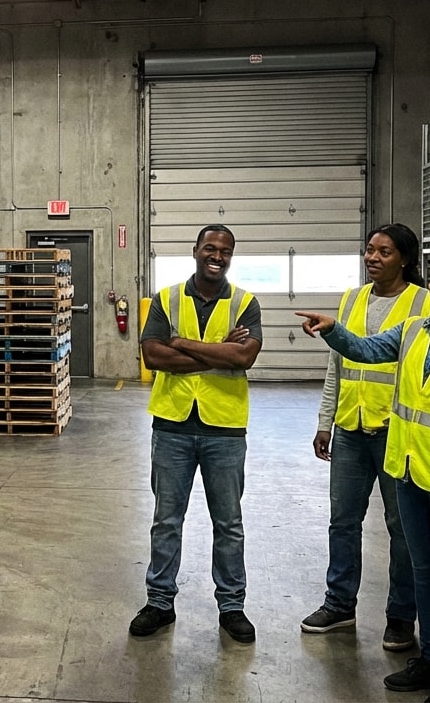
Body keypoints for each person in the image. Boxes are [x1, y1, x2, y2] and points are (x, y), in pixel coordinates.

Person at [298, 249, 430, 703]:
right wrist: (333, 330)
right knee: (424, 570)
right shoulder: (415, 329)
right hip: (407, 468)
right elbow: (367, 350)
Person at [301, 223, 430, 652]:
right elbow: (337, 367)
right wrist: (326, 421)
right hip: (351, 430)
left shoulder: (424, 303)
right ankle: (339, 604)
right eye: (370, 250)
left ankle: (400, 617)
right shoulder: (352, 299)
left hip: (396, 431)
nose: (373, 258)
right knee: (343, 521)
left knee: (402, 528)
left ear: (405, 259)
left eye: (384, 252)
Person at [131, 224, 263, 644]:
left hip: (224, 428)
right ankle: (159, 602)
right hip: (172, 425)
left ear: (231, 256)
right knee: (166, 521)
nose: (217, 256)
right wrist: (217, 352)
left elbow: (244, 357)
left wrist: (183, 344)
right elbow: (153, 354)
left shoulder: (246, 302)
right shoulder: (165, 298)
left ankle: (231, 606)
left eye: (225, 250)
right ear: (195, 251)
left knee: (229, 523)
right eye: (210, 248)